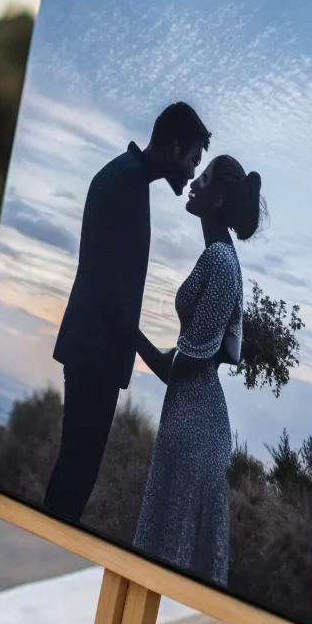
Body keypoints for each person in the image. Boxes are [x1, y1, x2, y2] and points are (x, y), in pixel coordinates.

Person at [43, 102, 211, 524]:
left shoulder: (124, 176)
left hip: (91, 350)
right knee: (76, 474)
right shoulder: (127, 185)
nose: (191, 171)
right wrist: (153, 357)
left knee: (74, 468)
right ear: (174, 147)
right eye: (192, 159)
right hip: (94, 354)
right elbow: (108, 289)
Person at [134, 156, 264, 587]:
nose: (194, 183)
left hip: (197, 427)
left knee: (175, 561)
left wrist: (125, 330)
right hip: (186, 417)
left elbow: (183, 365)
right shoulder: (215, 257)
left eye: (203, 180)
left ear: (219, 198)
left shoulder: (222, 265)